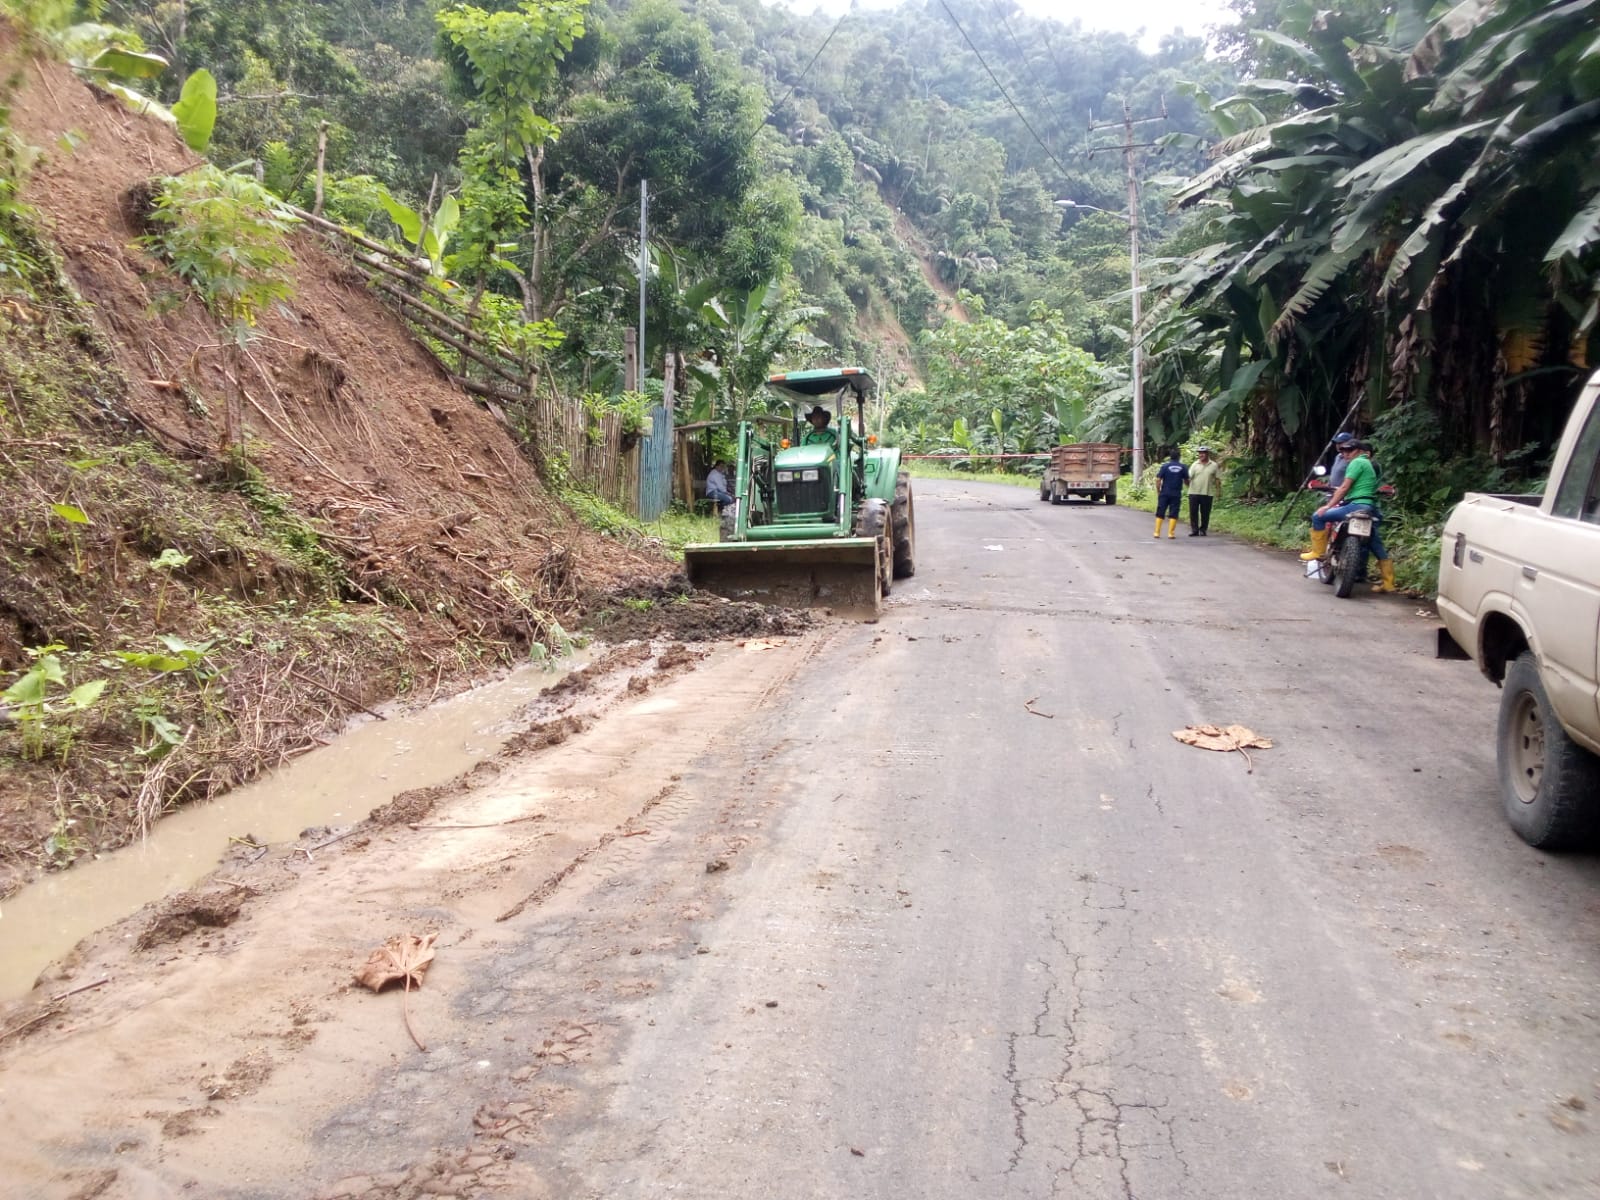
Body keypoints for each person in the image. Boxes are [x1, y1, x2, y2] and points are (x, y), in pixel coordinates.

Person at [1299, 440, 1396, 592]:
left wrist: (1328, 506)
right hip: (1369, 507)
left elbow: (1344, 487)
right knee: (1374, 542)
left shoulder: (1356, 463)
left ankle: (1318, 551)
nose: (1345, 454)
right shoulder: (1369, 464)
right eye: (1343, 451)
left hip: (1355, 505)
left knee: (1318, 516)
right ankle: (1388, 583)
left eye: (1349, 450)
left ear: (1360, 451)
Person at [1187, 446, 1222, 536]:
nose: (1201, 455)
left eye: (1203, 453)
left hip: (1207, 492)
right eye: (1199, 453)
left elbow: (1217, 479)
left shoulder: (1214, 465)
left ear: (1207, 454)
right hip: (1194, 492)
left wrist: (1218, 491)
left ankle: (1203, 529)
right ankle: (1194, 530)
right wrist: (1187, 484)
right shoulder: (1195, 464)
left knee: (1205, 513)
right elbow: (1189, 477)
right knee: (1193, 512)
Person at [1154, 447, 1187, 539]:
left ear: (1170, 457)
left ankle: (1157, 532)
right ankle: (1171, 533)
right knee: (1174, 512)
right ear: (1179, 457)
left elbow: (1158, 480)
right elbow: (1186, 480)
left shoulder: (1165, 466)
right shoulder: (1183, 467)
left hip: (1164, 492)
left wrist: (1158, 491)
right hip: (1176, 493)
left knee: (1160, 511)